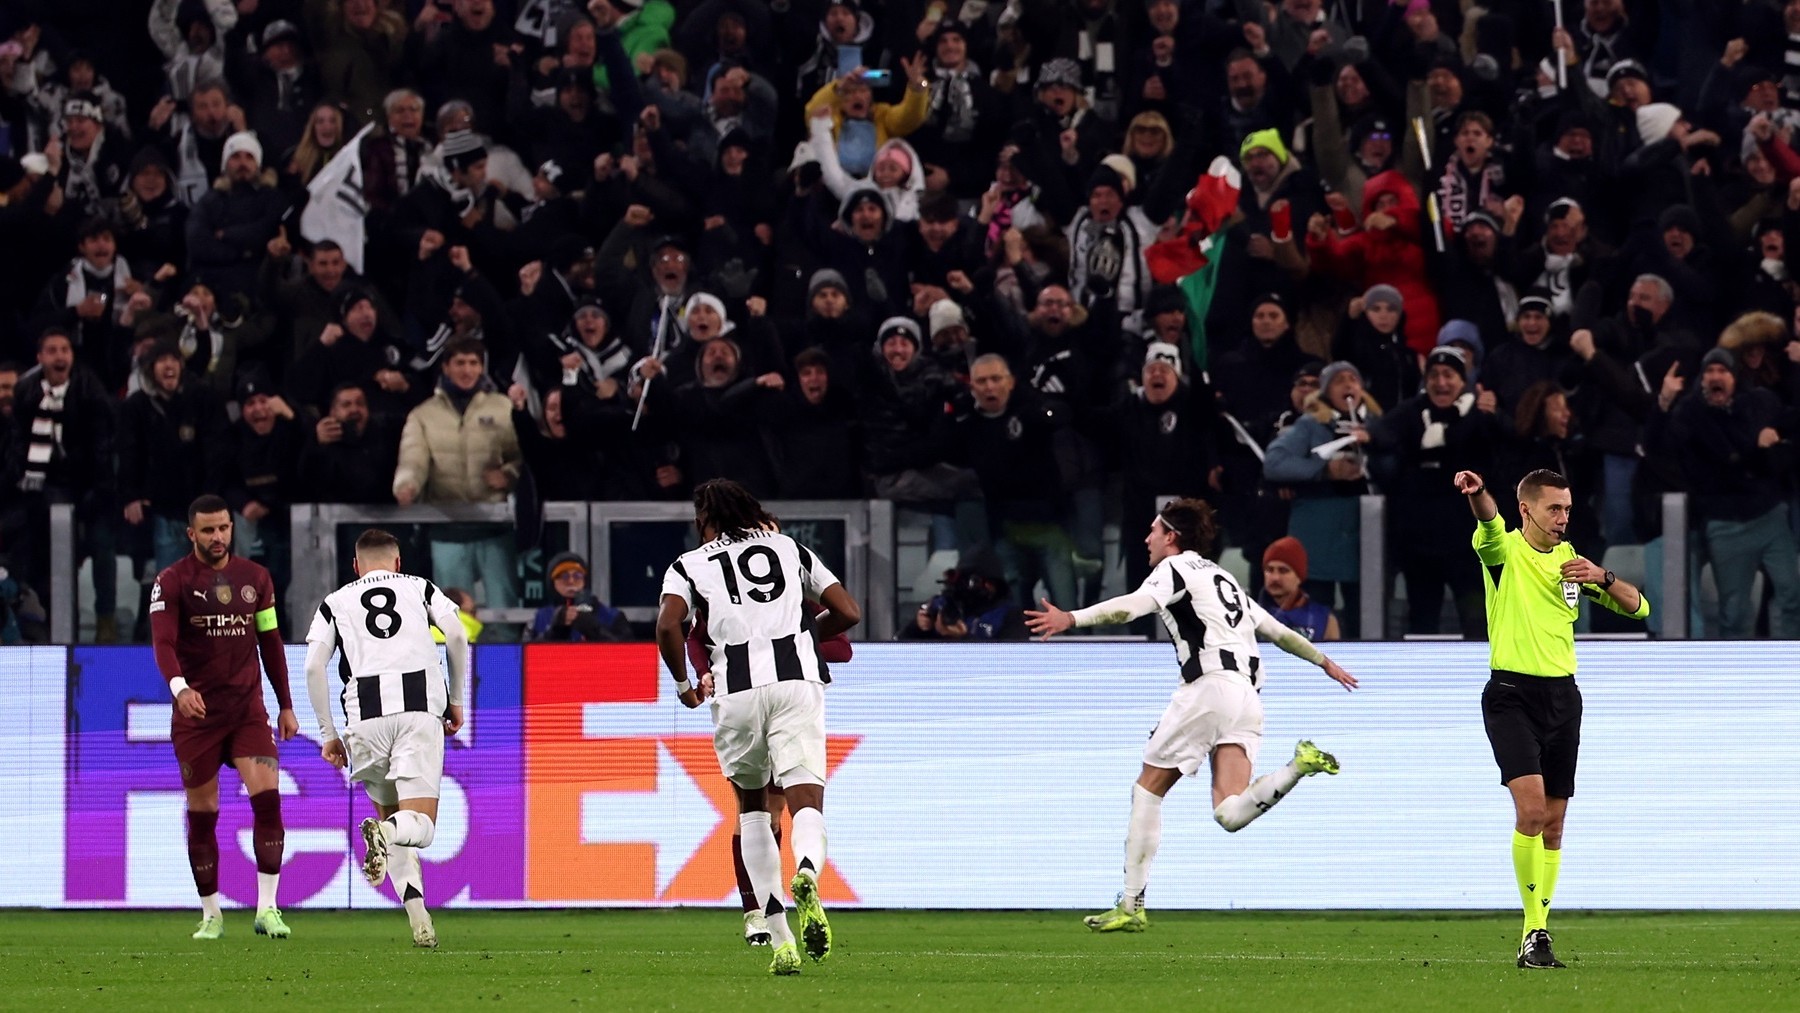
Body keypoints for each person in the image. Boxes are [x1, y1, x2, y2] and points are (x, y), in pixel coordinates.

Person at [1023, 499, 1358, 932]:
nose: (1146, 539)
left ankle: (1131, 904)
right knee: (1229, 813)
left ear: (1172, 537)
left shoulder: (1174, 568)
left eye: (1153, 531)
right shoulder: (1226, 579)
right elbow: (1277, 632)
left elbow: (1133, 606)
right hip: (1248, 698)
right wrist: (1323, 662)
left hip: (1208, 689)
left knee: (1148, 790)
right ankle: (1298, 765)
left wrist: (1072, 617)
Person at [654, 479, 862, 975]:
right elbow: (849, 612)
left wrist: (684, 684)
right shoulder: (790, 548)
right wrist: (803, 636)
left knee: (751, 811)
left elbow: (667, 626)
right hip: (796, 681)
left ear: (706, 520)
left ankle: (779, 939)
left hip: (737, 690)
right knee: (805, 800)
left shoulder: (689, 564)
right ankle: (807, 872)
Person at [1451, 468, 1650, 969]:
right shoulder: (1504, 553)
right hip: (1512, 693)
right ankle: (1533, 931)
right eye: (1553, 508)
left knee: (1555, 826)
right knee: (1533, 812)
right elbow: (1488, 522)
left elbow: (1640, 607)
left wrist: (1601, 576)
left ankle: (1535, 937)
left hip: (1564, 697)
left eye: (1566, 508)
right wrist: (1478, 495)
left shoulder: (1572, 563)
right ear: (1527, 510)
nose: (1562, 517)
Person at [302, 527, 469, 950]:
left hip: (364, 720)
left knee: (392, 819)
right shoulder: (420, 587)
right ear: (398, 563)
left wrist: (328, 734)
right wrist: (457, 699)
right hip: (417, 713)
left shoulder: (335, 601)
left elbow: (312, 668)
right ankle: (385, 832)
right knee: (419, 829)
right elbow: (457, 634)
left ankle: (420, 922)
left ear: (355, 567)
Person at [149, 494, 297, 941]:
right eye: (208, 530)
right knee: (204, 810)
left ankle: (267, 909)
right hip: (197, 716)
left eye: (224, 528)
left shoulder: (256, 579)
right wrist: (179, 690)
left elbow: (270, 642)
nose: (218, 537)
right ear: (190, 533)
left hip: (247, 711)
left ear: (233, 528)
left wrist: (285, 703)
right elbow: (163, 643)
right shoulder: (172, 581)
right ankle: (211, 912)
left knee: (268, 799)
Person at [1258, 537, 1339, 641]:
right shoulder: (1248, 614)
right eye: (1269, 570)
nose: (1275, 577)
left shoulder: (1325, 619)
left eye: (1283, 571)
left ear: (1299, 577)